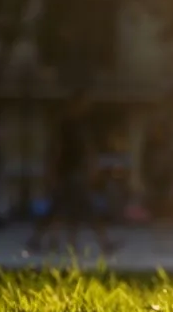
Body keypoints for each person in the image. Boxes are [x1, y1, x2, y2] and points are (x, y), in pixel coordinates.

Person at [26, 93, 117, 256]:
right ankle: (103, 243)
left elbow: (86, 151)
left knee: (66, 209)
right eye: (84, 104)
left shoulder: (79, 126)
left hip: (74, 174)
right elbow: (56, 150)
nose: (87, 108)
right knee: (82, 208)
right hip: (68, 174)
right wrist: (51, 173)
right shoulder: (66, 125)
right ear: (75, 105)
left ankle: (49, 241)